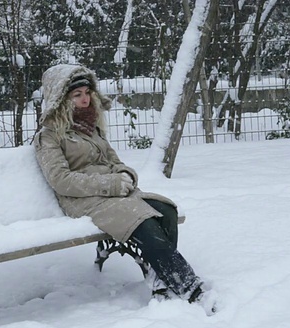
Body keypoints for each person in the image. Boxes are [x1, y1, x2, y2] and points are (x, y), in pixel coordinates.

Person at [33, 64, 215, 313]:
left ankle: (159, 280)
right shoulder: (49, 136)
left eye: (87, 92)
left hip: (113, 194)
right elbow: (61, 180)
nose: (85, 99)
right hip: (81, 200)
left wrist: (126, 174)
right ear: (60, 99)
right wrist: (111, 184)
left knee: (166, 210)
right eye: (77, 95)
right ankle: (191, 289)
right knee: (145, 223)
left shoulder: (89, 125)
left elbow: (114, 161)